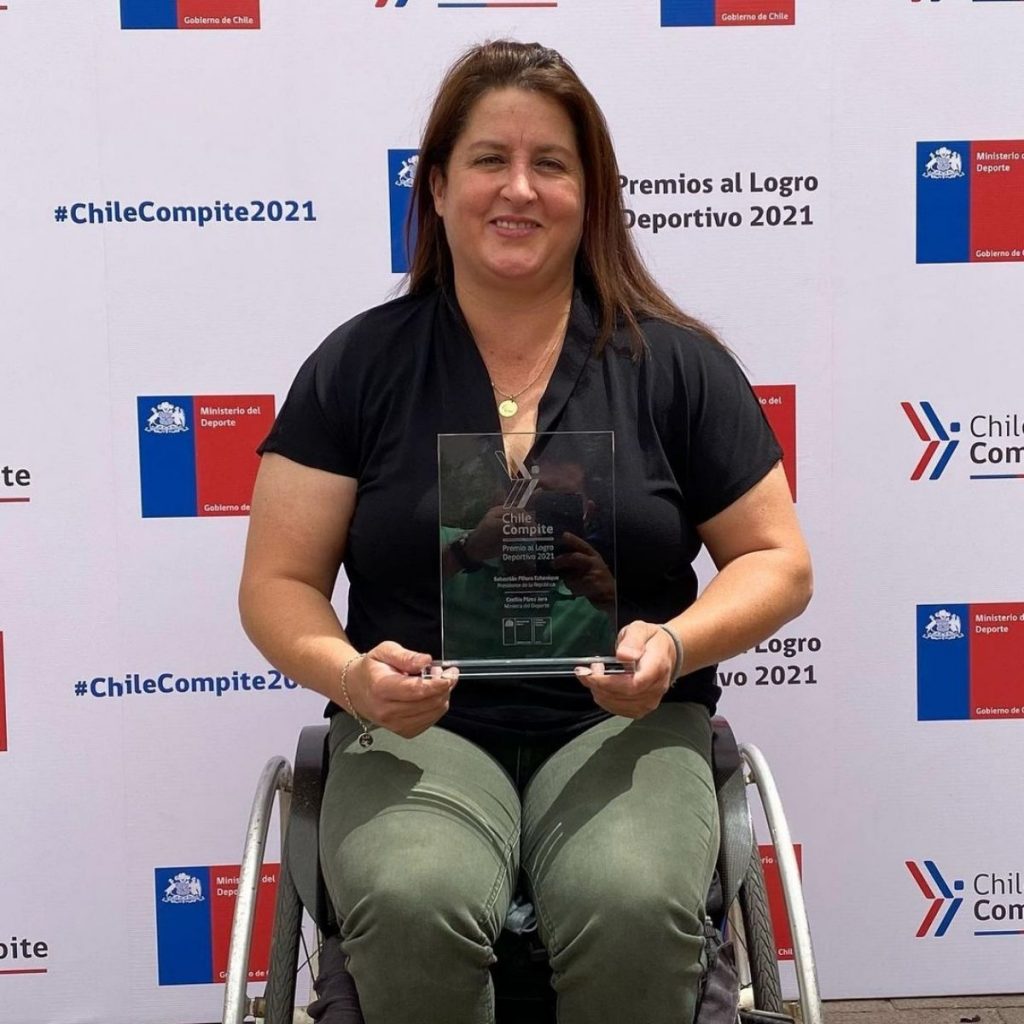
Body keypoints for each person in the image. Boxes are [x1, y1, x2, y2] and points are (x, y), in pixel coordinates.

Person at [239, 39, 812, 1024]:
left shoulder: (673, 366)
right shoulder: (358, 366)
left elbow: (777, 560)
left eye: (550, 163)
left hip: (623, 723)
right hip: (417, 727)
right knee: (412, 896)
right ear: (436, 186)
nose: (518, 188)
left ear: (590, 194)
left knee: (630, 899)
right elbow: (277, 583)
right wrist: (350, 677)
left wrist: (675, 646)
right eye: (488, 160)